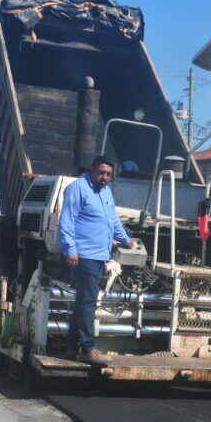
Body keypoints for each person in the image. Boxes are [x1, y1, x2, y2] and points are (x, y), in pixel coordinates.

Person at [59, 155, 134, 364]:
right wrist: (70, 249)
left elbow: (112, 220)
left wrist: (127, 240)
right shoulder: (78, 188)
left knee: (83, 301)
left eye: (108, 174)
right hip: (84, 254)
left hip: (100, 254)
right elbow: (67, 220)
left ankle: (72, 348)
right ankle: (88, 348)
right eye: (101, 172)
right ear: (92, 170)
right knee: (88, 302)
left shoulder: (106, 191)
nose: (104, 177)